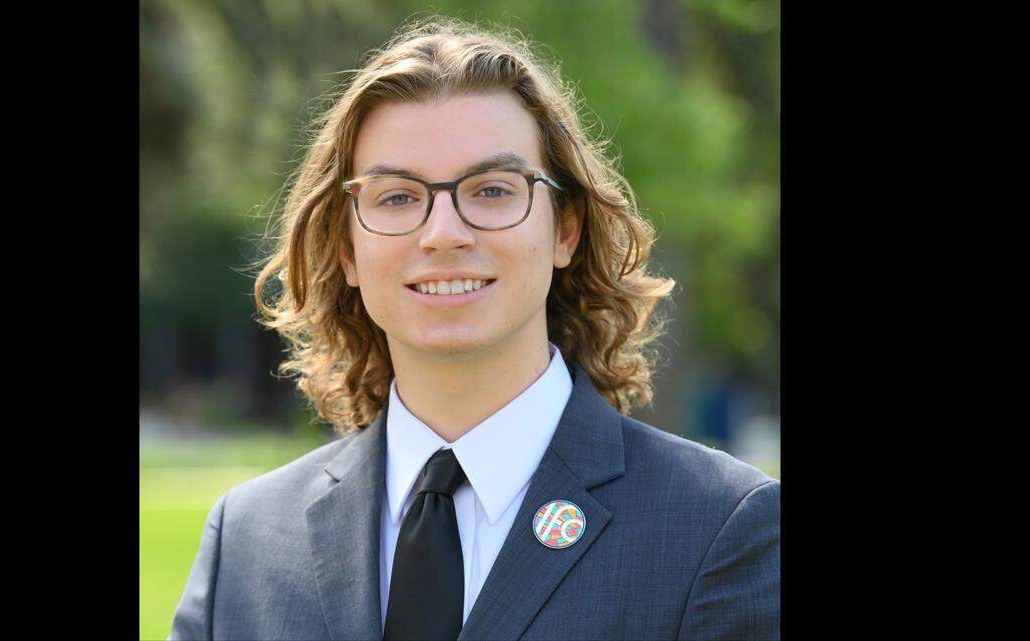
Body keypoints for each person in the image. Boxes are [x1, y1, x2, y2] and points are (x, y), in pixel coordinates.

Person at [170, 16, 779, 641]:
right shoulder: (244, 541)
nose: (444, 233)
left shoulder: (719, 529)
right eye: (398, 197)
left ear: (564, 230)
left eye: (492, 190)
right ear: (347, 249)